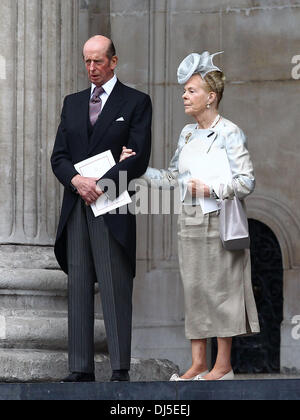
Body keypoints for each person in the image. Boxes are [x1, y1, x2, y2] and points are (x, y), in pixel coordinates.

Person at [120, 51, 260, 381]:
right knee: (195, 290)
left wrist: (209, 188)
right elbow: (172, 177)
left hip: (220, 221)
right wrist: (136, 167)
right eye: (184, 90)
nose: (184, 95)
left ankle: (222, 365)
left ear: (211, 97)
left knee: (222, 291)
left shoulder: (230, 132)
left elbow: (246, 181)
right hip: (189, 221)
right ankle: (198, 363)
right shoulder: (186, 134)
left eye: (191, 90)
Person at [51, 35, 152, 383]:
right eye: (87, 61)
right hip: (78, 203)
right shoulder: (73, 102)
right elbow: (59, 156)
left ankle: (120, 369)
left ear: (113, 61)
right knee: (78, 282)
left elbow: (137, 157)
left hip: (112, 205)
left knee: (115, 284)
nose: (91, 68)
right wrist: (77, 181)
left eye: (98, 61)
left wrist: (102, 184)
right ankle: (79, 368)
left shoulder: (136, 102)